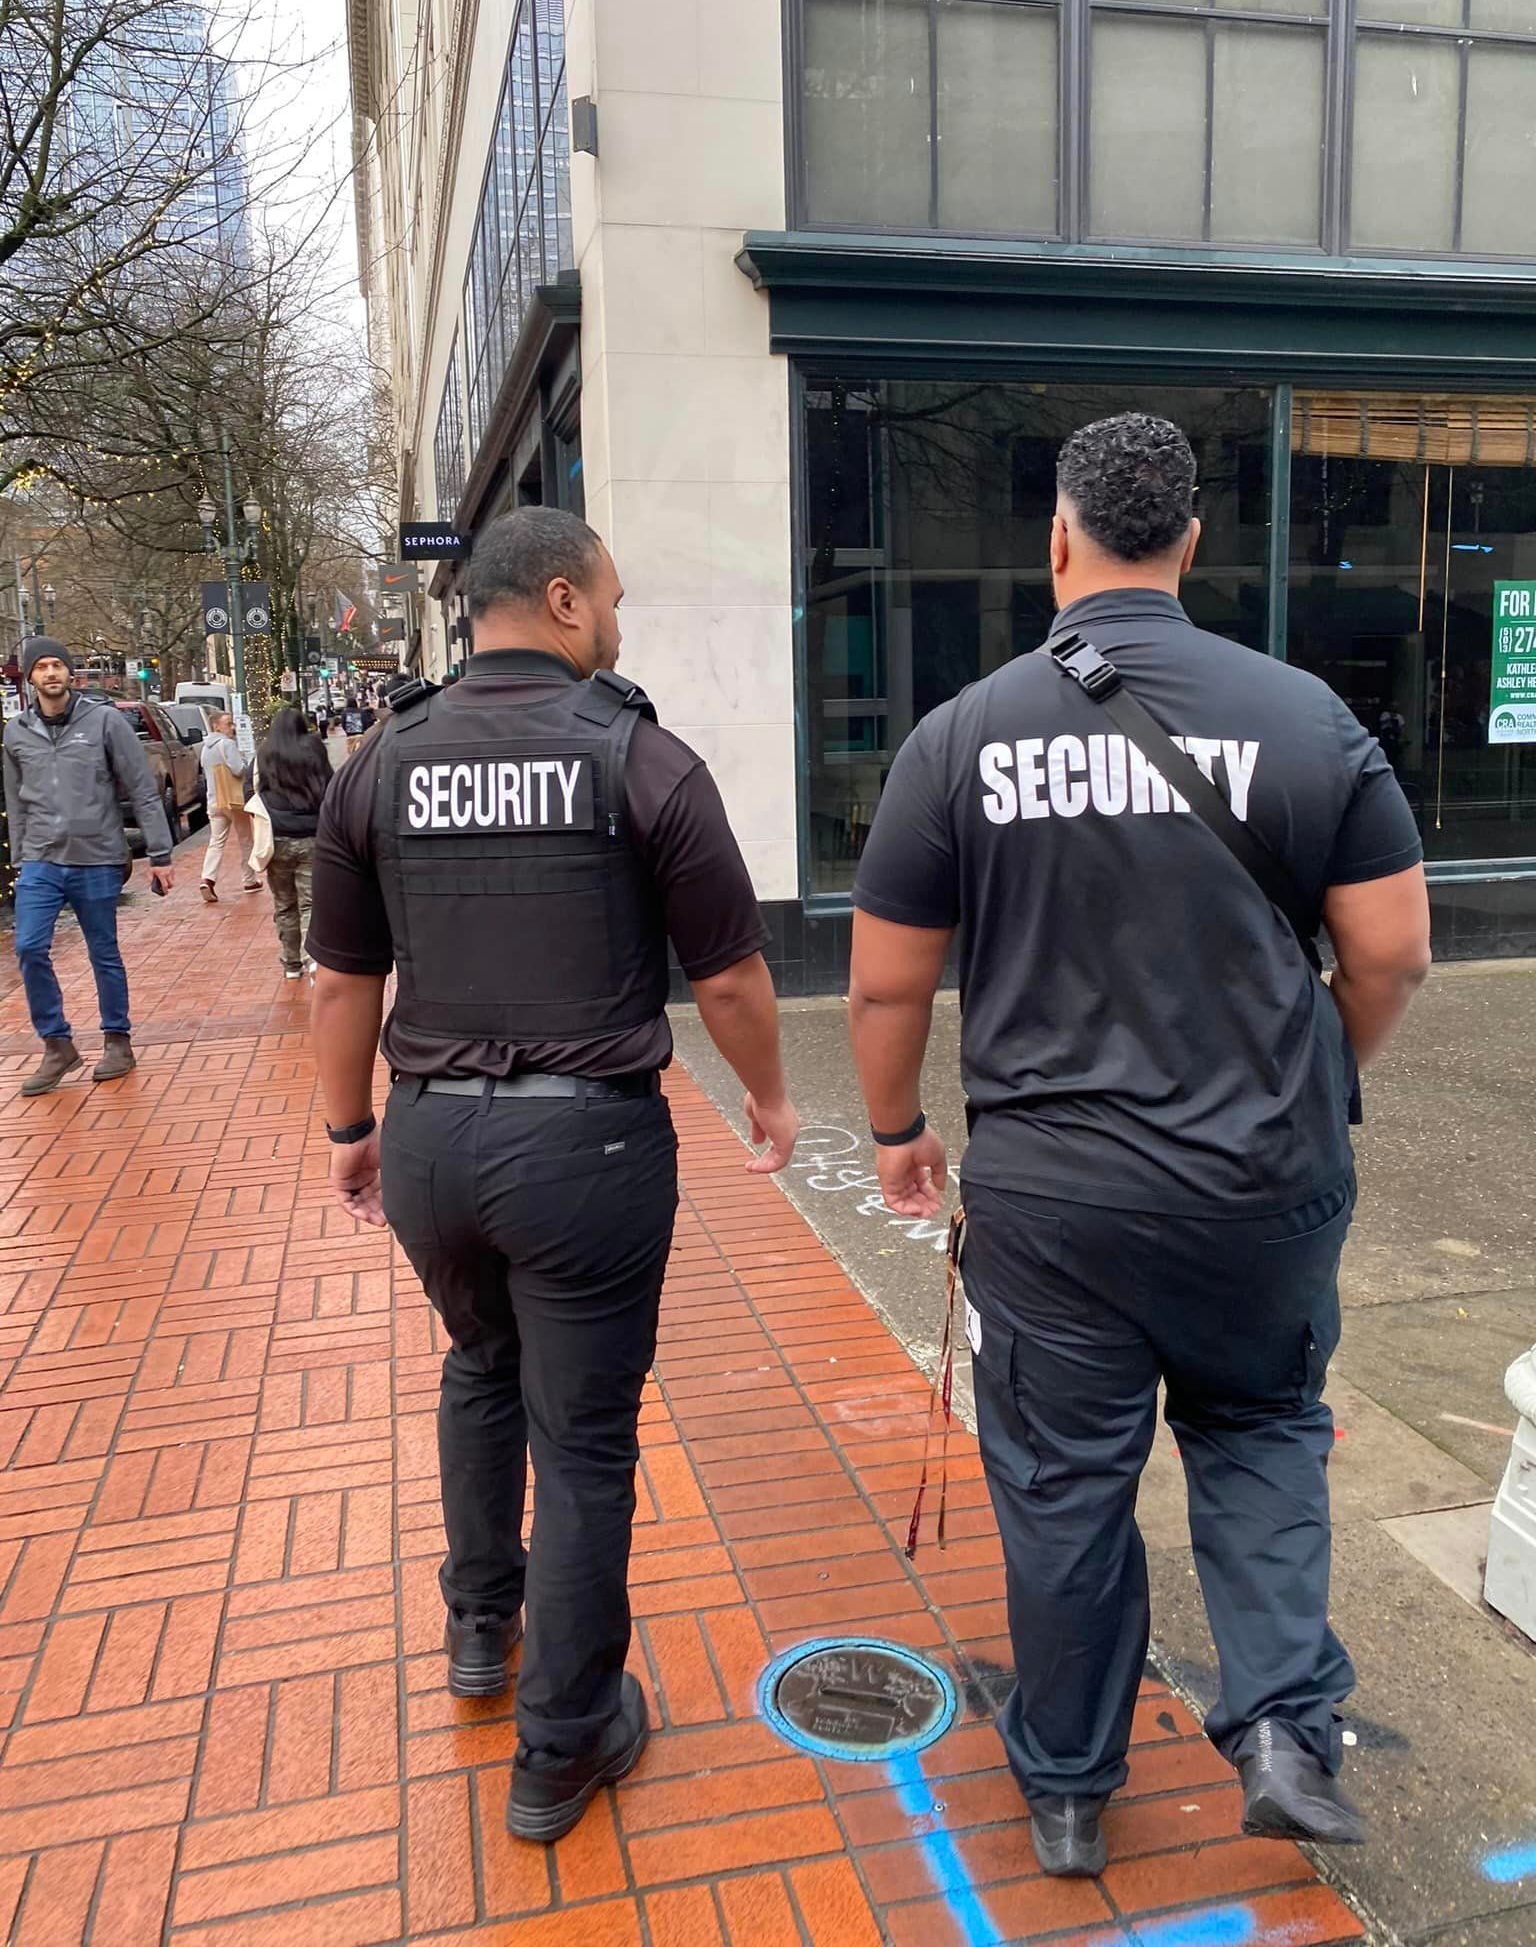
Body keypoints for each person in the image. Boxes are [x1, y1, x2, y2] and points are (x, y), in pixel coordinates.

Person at [846, 414, 1431, 1878]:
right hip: (1260, 1187)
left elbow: (884, 981)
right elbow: (1395, 954)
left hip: (1055, 1204)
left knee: (1060, 1483)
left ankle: (1063, 1787)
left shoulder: (961, 737)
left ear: (1058, 541)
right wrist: (1321, 1077)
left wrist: (899, 1129)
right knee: (1261, 1432)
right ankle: (1289, 1726)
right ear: (1192, 544)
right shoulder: (1306, 718)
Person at [307, 506, 799, 1846]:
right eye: (619, 598)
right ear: (568, 601)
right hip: (586, 1147)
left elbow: (343, 977)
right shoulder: (639, 758)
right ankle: (563, 1746)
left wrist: (348, 1128)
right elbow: (735, 973)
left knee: (477, 1369)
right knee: (584, 1445)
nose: (623, 622)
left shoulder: (382, 760)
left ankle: (482, 1632)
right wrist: (765, 1094)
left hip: (430, 1143)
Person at [2, 636, 175, 1093]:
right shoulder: (16, 731)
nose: (51, 673)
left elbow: (141, 788)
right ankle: (57, 1044)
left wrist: (159, 854)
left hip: (97, 856)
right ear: (31, 677)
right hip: (41, 858)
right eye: (42, 667)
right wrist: (20, 856)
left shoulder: (103, 722)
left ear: (71, 673)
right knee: (29, 947)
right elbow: (15, 800)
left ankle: (117, 1039)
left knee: (104, 952)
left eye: (58, 665)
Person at [253, 705, 332, 980]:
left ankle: (291, 963)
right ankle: (312, 959)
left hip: (276, 836)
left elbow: (256, 788)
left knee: (284, 902)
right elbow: (329, 783)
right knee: (311, 902)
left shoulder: (266, 751)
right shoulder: (313, 747)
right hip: (312, 833)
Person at [198, 712, 262, 901]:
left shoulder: (205, 748)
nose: (232, 727)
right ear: (216, 726)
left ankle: (208, 878)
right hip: (233, 801)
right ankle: (249, 880)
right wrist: (245, 761)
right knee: (246, 840)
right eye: (228, 723)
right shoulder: (227, 744)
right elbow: (238, 769)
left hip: (214, 800)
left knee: (216, 841)